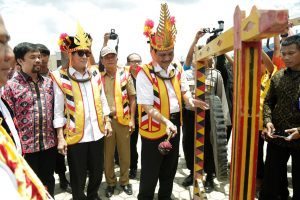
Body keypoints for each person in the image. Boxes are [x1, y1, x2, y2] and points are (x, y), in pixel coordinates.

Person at [136, 3, 209, 199]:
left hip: (175, 124)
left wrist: (191, 102)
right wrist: (166, 121)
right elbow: (147, 107)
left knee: (169, 171)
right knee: (150, 174)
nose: (167, 58)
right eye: (162, 54)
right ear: (152, 51)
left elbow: (184, 93)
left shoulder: (176, 67)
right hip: (154, 127)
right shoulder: (144, 72)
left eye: (170, 53)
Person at [51, 23, 112, 200]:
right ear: (71, 54)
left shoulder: (94, 74)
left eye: (87, 52)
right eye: (80, 53)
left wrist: (107, 120)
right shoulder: (60, 77)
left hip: (97, 133)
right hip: (76, 136)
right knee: (77, 175)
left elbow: (102, 99)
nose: (85, 56)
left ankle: (93, 195)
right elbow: (57, 112)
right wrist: (61, 137)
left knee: (97, 171)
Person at [0, 13, 51, 199]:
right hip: (26, 149)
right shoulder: (10, 86)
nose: (38, 60)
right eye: (33, 57)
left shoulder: (49, 82)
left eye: (39, 57)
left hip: (48, 145)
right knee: (28, 188)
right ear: (20, 61)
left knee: (47, 183)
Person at [260, 35, 300, 200]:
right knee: (272, 183)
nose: (286, 57)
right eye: (283, 53)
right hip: (278, 137)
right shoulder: (278, 77)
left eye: (291, 53)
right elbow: (268, 102)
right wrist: (268, 121)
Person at [100, 46, 136, 197]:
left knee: (125, 154)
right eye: (106, 57)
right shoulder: (98, 78)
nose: (109, 59)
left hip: (123, 120)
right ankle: (110, 183)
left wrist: (133, 119)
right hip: (106, 122)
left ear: (117, 58)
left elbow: (132, 98)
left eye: (112, 56)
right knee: (107, 156)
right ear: (102, 60)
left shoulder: (125, 75)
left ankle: (125, 181)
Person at [181, 30, 204, 187]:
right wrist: (195, 40)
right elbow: (188, 57)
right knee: (189, 143)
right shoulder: (187, 72)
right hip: (189, 114)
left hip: (207, 114)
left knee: (206, 143)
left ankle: (207, 174)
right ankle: (192, 172)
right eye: (197, 55)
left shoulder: (213, 73)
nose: (199, 58)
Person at [126, 53, 142, 179]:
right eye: (133, 61)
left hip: (146, 117)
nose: (136, 63)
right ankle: (133, 167)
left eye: (138, 61)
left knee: (148, 145)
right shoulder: (125, 77)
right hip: (132, 117)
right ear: (128, 63)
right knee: (132, 145)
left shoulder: (145, 76)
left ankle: (147, 167)